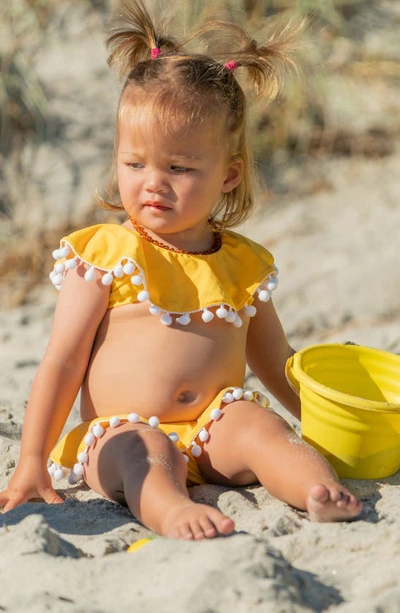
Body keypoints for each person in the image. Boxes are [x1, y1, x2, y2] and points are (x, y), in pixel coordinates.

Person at [0, 0, 361, 538]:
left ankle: (316, 489)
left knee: (263, 428)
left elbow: (275, 360)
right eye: (134, 163)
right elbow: (61, 361)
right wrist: (32, 458)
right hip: (118, 435)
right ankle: (170, 510)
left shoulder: (243, 264)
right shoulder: (104, 253)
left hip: (214, 427)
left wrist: (330, 424)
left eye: (179, 167)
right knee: (147, 454)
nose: (153, 182)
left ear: (229, 174)